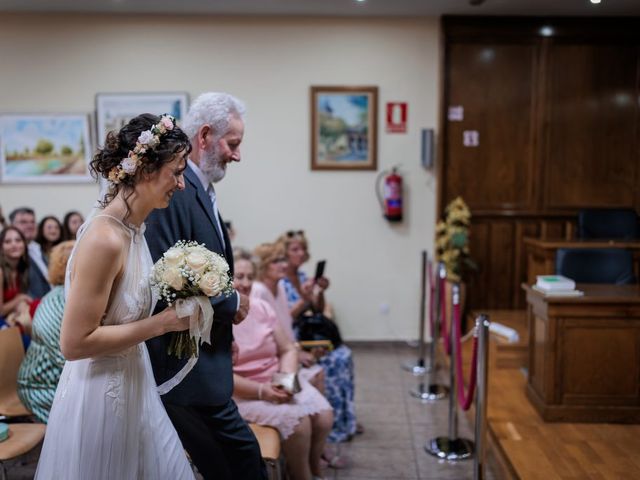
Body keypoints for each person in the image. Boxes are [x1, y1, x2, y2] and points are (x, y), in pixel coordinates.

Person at [35, 113, 195, 480]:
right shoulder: (104, 240)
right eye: (177, 171)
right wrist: (162, 324)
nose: (182, 184)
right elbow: (74, 343)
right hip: (100, 396)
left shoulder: (135, 230)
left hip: (134, 382)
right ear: (146, 169)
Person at [145, 92, 266, 480]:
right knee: (242, 460)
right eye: (233, 144)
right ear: (205, 136)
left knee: (227, 464)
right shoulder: (175, 194)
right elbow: (167, 273)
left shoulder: (201, 190)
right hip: (185, 368)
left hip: (205, 358)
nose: (237, 155)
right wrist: (231, 302)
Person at [232, 248, 332, 480]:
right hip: (243, 392)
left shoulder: (261, 307)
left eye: (249, 277)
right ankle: (301, 474)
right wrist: (263, 391)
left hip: (276, 379)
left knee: (325, 416)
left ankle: (313, 466)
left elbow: (287, 348)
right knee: (300, 425)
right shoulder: (218, 317)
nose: (245, 283)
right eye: (238, 276)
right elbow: (222, 375)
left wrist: (285, 381)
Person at [280, 230, 359, 444]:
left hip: (307, 330)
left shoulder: (303, 276)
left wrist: (320, 292)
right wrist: (304, 300)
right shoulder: (281, 281)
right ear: (284, 253)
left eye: (303, 248)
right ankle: (330, 427)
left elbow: (318, 308)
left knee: (344, 355)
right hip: (291, 336)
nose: (301, 253)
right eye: (295, 249)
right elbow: (283, 317)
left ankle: (344, 419)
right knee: (335, 361)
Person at [17, 241, 73, 423]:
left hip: (61, 380)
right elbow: (65, 357)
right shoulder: (56, 302)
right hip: (39, 387)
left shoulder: (71, 296)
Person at [0, 226, 36, 341]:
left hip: (11, 317)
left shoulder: (21, 269)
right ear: (1, 247)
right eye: (8, 241)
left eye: (18, 240)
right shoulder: (0, 271)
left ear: (24, 245)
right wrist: (21, 298)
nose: (14, 244)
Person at [10, 207, 50, 298]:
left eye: (32, 222)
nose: (30, 225)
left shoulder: (38, 248)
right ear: (12, 226)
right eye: (23, 222)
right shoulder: (10, 253)